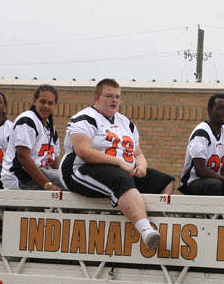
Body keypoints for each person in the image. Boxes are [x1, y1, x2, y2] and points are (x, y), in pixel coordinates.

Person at [60, 79, 174, 250]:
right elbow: (84, 152)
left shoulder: (125, 122)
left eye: (117, 97)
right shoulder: (85, 118)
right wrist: (120, 163)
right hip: (80, 169)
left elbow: (138, 153)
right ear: (97, 98)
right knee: (121, 180)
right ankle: (145, 230)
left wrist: (141, 166)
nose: (114, 100)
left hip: (120, 170)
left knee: (165, 181)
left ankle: (156, 223)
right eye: (109, 96)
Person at [1, 85, 63, 191]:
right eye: (42, 102)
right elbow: (23, 157)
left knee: (71, 179)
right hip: (19, 177)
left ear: (55, 105)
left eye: (50, 103)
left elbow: (54, 160)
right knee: (71, 183)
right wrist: (48, 185)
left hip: (39, 173)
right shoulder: (27, 120)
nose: (46, 106)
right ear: (35, 101)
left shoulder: (50, 127)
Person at [179, 93, 224, 196]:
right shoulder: (201, 133)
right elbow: (200, 170)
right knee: (215, 184)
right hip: (194, 183)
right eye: (220, 108)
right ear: (209, 111)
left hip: (217, 182)